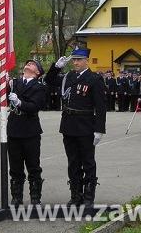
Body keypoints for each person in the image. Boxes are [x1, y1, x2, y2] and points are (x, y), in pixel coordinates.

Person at [45, 48, 106, 207]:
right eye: (74, 60)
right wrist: (56, 67)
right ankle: (76, 195)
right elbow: (49, 80)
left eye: (79, 60)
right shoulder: (69, 76)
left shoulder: (94, 79)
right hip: (68, 125)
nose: (76, 62)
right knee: (73, 162)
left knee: (88, 162)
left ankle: (88, 196)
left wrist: (99, 129)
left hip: (86, 126)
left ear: (86, 60)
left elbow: (100, 107)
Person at [7, 59, 47, 207]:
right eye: (28, 63)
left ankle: (35, 196)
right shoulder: (14, 83)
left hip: (30, 130)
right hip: (14, 128)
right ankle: (16, 197)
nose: (28, 64)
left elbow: (35, 106)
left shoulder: (39, 87)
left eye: (32, 64)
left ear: (37, 72)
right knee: (15, 166)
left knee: (33, 166)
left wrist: (19, 103)